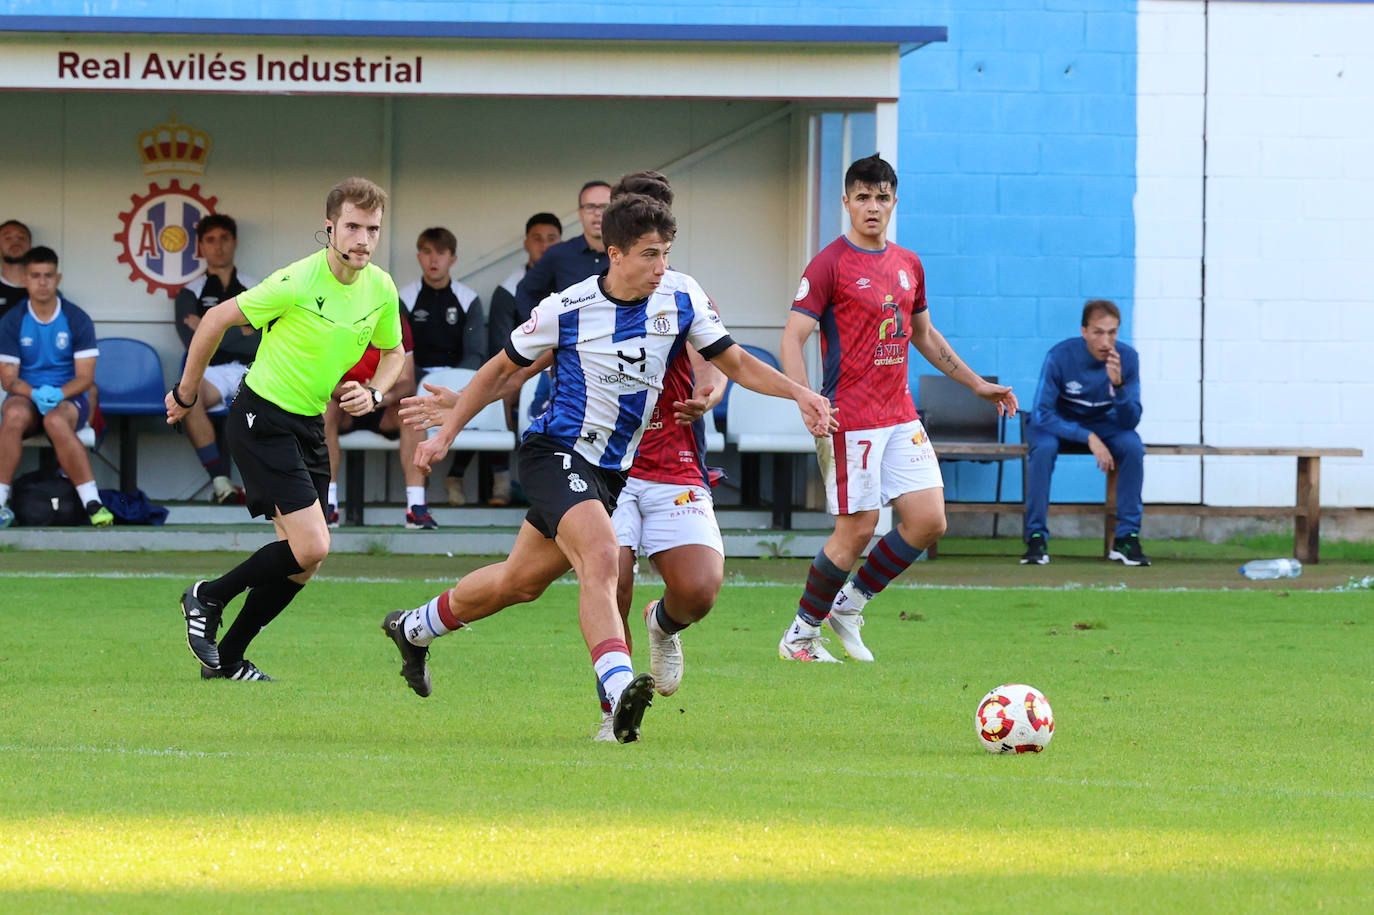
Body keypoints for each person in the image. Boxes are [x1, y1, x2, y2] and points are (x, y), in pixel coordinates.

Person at [381, 186, 836, 744]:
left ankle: (413, 628)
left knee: (518, 583)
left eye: (667, 252)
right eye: (650, 254)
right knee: (601, 559)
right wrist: (448, 431)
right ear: (615, 253)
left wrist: (800, 395)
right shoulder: (567, 308)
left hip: (613, 471)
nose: (661, 266)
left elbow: (736, 362)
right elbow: (502, 368)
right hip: (556, 453)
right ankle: (619, 693)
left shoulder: (682, 296)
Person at [777, 154, 1017, 663]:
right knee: (858, 530)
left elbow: (924, 336)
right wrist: (806, 397)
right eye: (862, 197)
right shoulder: (828, 265)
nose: (872, 206)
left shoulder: (909, 264)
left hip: (900, 415)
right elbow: (792, 340)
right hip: (851, 418)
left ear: (894, 203)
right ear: (846, 203)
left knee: (929, 521)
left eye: (881, 197)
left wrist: (976, 384)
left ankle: (850, 604)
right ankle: (799, 635)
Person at [166, 177, 404, 682]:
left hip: (308, 426)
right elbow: (212, 321)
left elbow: (395, 354)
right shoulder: (296, 280)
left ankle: (227, 660)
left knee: (302, 562)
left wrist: (377, 393)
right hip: (261, 418)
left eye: (373, 229)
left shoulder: (381, 287)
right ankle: (207, 595)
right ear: (330, 228)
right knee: (314, 545)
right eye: (353, 227)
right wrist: (186, 395)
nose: (363, 239)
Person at [1022, 299, 1148, 567]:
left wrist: (1119, 385)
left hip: (1104, 424)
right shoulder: (1059, 356)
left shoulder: (1127, 358)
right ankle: (1035, 537)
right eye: (1098, 332)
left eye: (1112, 332)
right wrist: (1088, 438)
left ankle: (1126, 539)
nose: (1106, 341)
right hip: (1056, 423)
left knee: (1133, 446)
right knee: (1043, 449)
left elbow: (1131, 420)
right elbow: (1043, 412)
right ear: (1084, 331)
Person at [0, 246, 112, 528]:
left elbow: (86, 378)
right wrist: (35, 393)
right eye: (35, 275)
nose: (42, 282)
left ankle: (92, 503)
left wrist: (58, 393)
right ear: (25, 279)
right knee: (13, 415)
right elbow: (8, 379)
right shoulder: (13, 320)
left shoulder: (76, 318)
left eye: (48, 275)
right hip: (26, 395)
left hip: (67, 397)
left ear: (57, 278)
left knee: (55, 420)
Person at [173, 214, 259, 504]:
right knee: (188, 395)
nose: (218, 246)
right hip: (210, 371)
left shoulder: (255, 287)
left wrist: (210, 327)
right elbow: (191, 341)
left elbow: (264, 339)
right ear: (201, 247)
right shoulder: (190, 292)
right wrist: (242, 330)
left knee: (271, 401)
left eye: (224, 239)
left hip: (252, 369)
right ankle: (221, 483)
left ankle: (259, 486)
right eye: (210, 240)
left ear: (234, 242)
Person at [399, 227, 484, 512]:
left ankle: (456, 475)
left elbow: (476, 354)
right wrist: (427, 384)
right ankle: (417, 501)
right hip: (419, 384)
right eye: (426, 252)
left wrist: (454, 387)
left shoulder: (467, 298)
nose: (433, 260)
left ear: (453, 258)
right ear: (419, 257)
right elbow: (398, 355)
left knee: (480, 399)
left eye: (441, 253)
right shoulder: (404, 298)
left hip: (458, 383)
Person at [486, 212, 563, 505]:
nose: (544, 246)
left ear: (561, 244)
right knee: (497, 389)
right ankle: (501, 480)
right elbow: (500, 346)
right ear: (526, 243)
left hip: (565, 368)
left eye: (552, 240)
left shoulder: (571, 283)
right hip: (522, 369)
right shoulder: (510, 287)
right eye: (537, 239)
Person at [322, 303, 417, 527]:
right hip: (344, 403)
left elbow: (408, 381)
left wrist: (381, 396)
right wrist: (355, 395)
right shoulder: (332, 319)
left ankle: (416, 507)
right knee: (323, 410)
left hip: (384, 405)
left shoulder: (397, 321)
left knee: (413, 413)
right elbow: (322, 379)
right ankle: (329, 504)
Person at [513, 180, 611, 323]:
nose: (597, 213)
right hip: (569, 343)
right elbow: (525, 292)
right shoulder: (559, 254)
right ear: (580, 213)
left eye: (604, 206)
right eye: (590, 207)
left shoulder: (628, 252)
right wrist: (541, 334)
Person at [0, 219, 33, 319]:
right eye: (8, 238)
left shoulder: (45, 290)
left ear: (31, 248)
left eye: (21, 237)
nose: (15, 242)